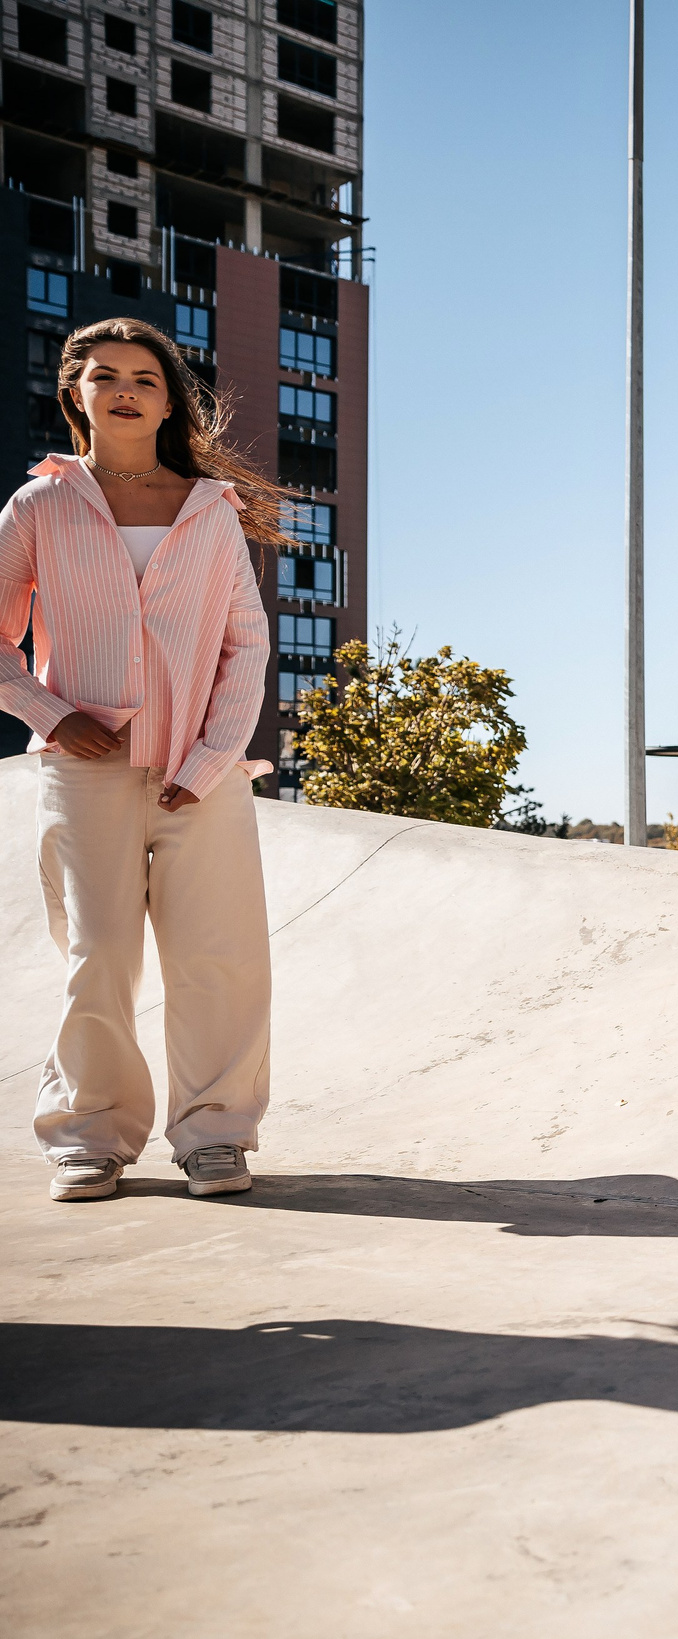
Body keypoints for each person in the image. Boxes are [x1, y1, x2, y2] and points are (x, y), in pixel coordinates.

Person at [0, 318, 287, 1203]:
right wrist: (51, 713)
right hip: (84, 773)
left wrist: (208, 760)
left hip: (202, 776)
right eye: (104, 375)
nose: (124, 388)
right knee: (99, 953)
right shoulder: (38, 506)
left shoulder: (211, 510)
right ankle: (90, 1132)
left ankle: (215, 1134)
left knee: (219, 956)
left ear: (169, 400)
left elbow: (247, 644)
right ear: (74, 393)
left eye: (145, 378)